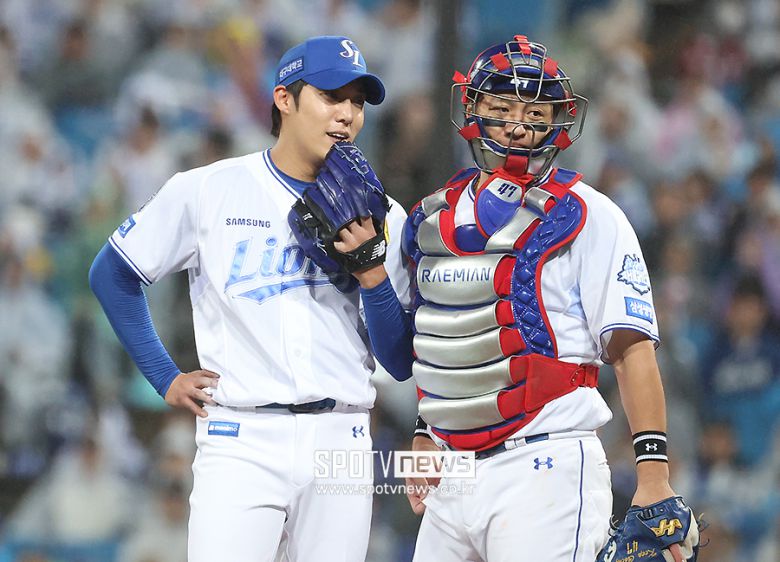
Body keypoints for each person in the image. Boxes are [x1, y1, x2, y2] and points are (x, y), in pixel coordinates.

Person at [337, 35, 698, 561]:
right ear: (473, 109)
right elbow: (440, 340)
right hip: (451, 475)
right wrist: (424, 429)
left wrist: (654, 476)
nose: (518, 124)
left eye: (535, 111)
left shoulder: (590, 214)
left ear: (558, 120)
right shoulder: (431, 216)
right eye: (502, 107)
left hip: (544, 464)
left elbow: (631, 349)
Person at [89, 35, 411, 562]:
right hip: (242, 437)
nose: (347, 114)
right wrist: (163, 375)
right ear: (284, 98)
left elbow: (398, 362)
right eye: (331, 96)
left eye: (357, 102)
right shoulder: (209, 189)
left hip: (343, 436)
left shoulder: (385, 214)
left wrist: (373, 276)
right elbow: (112, 274)